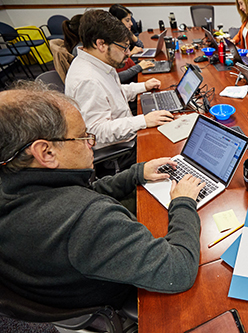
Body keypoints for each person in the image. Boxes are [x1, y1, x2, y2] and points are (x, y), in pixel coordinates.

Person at [0, 80, 205, 311]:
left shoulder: (13, 182)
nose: (91, 143)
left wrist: (136, 173)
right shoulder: (87, 220)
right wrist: (183, 202)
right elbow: (178, 271)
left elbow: (81, 193)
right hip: (119, 294)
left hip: (62, 281)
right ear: (46, 152)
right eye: (82, 136)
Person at [65, 10, 173, 151]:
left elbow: (111, 94)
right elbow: (96, 132)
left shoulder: (98, 63)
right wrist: (143, 121)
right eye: (124, 47)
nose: (128, 53)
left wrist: (143, 86)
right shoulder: (88, 80)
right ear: (101, 44)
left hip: (125, 130)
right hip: (120, 147)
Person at [109, 4, 155, 83]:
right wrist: (138, 66)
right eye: (127, 20)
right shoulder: (111, 43)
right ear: (117, 22)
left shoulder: (124, 35)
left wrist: (129, 33)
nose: (131, 23)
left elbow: (140, 45)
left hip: (133, 74)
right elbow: (115, 77)